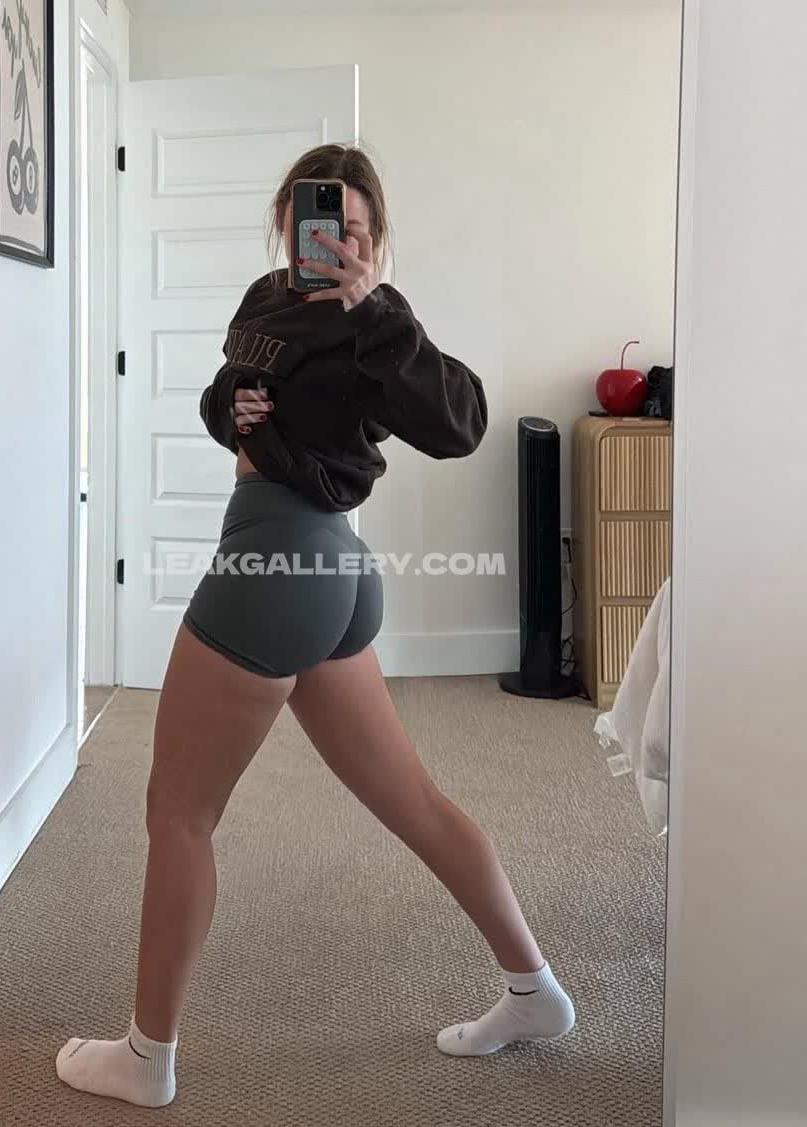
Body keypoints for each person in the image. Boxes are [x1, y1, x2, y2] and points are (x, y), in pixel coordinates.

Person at [56, 144, 575, 1109]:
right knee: (415, 802)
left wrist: (373, 309)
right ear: (286, 224)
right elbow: (226, 401)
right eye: (317, 226)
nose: (334, 246)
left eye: (355, 233)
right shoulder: (265, 300)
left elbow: (460, 422)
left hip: (283, 564)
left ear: (374, 239)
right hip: (321, 573)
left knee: (178, 811)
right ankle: (533, 990)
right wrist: (234, 407)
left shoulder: (378, 321)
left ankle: (144, 1057)